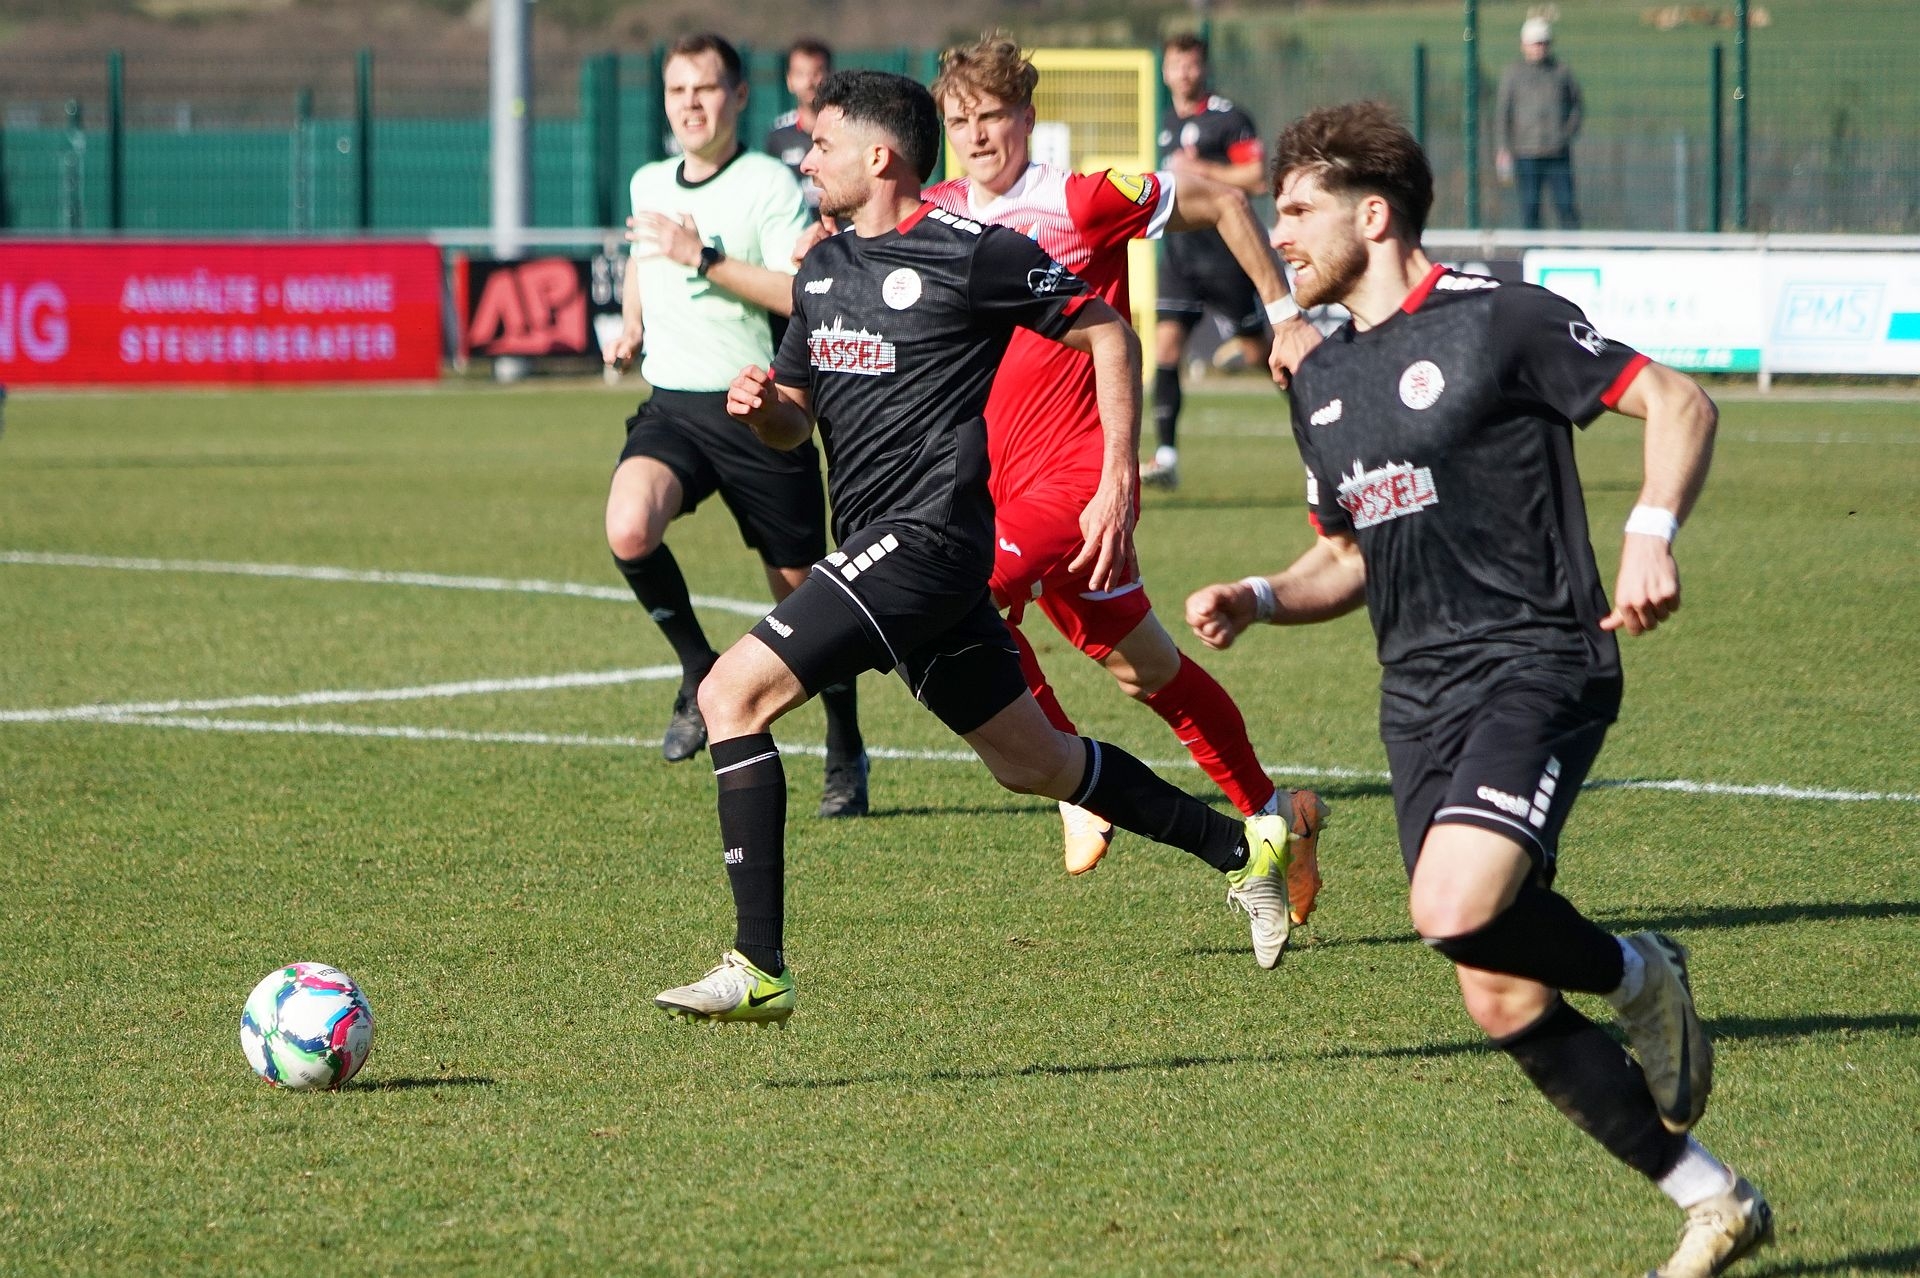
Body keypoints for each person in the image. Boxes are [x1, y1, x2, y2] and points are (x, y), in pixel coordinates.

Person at [1186, 102, 1771, 1278]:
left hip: (1539, 661)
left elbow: (1678, 401)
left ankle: (1641, 975)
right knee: (1498, 995)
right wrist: (1258, 595)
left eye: (1296, 210)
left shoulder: (1502, 318)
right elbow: (1345, 556)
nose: (1279, 233)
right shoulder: (1323, 379)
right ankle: (1715, 1200)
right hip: (1418, 700)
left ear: (1373, 214)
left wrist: (1650, 534)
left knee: (1451, 907)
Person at [653, 69, 1317, 1027]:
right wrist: (765, 412)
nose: (808, 159)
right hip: (892, 550)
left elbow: (1109, 334)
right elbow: (797, 419)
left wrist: (1117, 475)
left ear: (880, 155)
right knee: (1035, 764)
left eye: (823, 144)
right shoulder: (824, 268)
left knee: (729, 694)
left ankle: (758, 965)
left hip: (926, 542)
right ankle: (1242, 848)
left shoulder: (973, 253)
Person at [922, 32, 1328, 917]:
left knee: (959, 594)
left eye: (992, 116)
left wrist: (1284, 314)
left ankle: (1071, 782)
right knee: (1150, 675)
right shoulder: (937, 213)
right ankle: (1275, 815)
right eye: (960, 121)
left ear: (1028, 117)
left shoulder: (1081, 199)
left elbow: (1225, 200)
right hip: (999, 488)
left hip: (1078, 482)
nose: (977, 135)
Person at [603, 32, 869, 818]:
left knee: (807, 603)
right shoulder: (649, 179)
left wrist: (704, 255)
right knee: (629, 528)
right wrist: (631, 324)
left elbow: (797, 293)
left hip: (758, 408)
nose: (691, 103)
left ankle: (846, 745)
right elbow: (642, 262)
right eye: (677, 89)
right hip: (673, 407)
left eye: (707, 88)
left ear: (740, 96)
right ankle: (697, 668)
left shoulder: (768, 185)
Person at [1145, 33, 1272, 491]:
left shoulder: (1228, 118)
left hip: (1227, 255)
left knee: (1261, 355)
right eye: (1176, 64)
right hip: (1179, 256)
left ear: (1204, 68)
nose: (1185, 73)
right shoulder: (1161, 121)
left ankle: (1320, 419)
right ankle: (1166, 457)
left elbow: (1257, 178)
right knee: (1165, 349)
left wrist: (1204, 170)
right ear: (1165, 71)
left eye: (1192, 64)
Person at [1496, 16, 1583, 230]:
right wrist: (1503, 147)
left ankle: (1572, 246)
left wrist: (1566, 134)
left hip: (1557, 153)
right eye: (1535, 43)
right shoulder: (1513, 75)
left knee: (1566, 206)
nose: (1539, 48)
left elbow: (1576, 106)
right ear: (1524, 45)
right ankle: (1532, 247)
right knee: (1530, 208)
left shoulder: (1561, 72)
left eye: (1543, 43)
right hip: (1526, 153)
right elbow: (1503, 113)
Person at [765, 37, 833, 207]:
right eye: (800, 74)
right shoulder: (778, 134)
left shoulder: (847, 129)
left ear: (831, 76)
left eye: (816, 73)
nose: (809, 82)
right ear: (789, 81)